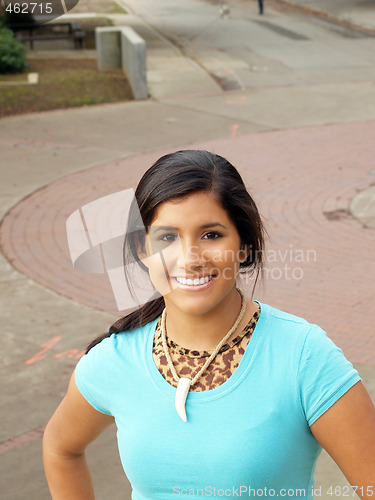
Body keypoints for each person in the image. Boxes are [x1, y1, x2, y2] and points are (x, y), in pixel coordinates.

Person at [43, 150, 375, 499]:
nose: (189, 259)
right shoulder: (114, 360)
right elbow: (60, 448)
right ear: (143, 249)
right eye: (167, 238)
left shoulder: (302, 357)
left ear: (245, 246)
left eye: (211, 235)